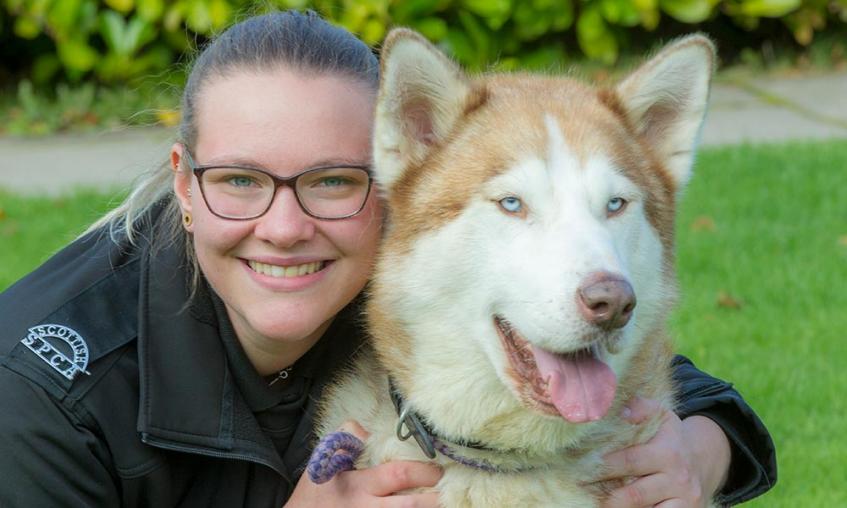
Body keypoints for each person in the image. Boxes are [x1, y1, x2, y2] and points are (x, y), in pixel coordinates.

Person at [0, 10, 775, 508]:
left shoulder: (393, 269)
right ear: (184, 184)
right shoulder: (37, 397)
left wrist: (699, 458)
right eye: (239, 180)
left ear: (391, 179)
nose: (285, 226)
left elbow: (658, 372)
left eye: (332, 181)